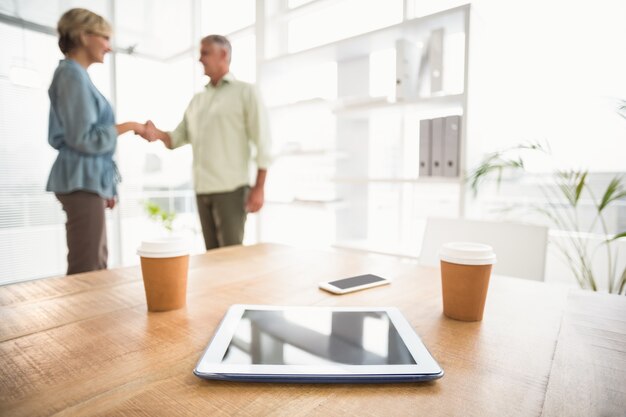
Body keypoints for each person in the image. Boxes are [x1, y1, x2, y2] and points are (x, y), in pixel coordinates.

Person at [143, 35, 271, 250]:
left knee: (230, 258)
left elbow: (263, 142)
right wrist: (156, 133)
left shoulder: (246, 92)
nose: (200, 59)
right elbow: (176, 138)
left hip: (231, 190)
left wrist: (259, 187)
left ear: (224, 54)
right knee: (212, 257)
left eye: (205, 53)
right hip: (202, 190)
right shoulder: (197, 100)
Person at [46, 8, 147, 274]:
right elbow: (84, 138)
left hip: (86, 180)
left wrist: (105, 186)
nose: (109, 47)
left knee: (95, 259)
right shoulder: (71, 75)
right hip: (80, 180)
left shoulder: (76, 76)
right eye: (104, 38)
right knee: (88, 267)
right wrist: (131, 126)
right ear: (83, 36)